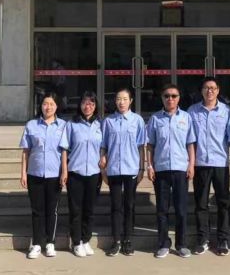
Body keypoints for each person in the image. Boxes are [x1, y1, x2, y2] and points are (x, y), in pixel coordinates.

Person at [146, 83, 196, 259]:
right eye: (166, 96)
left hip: (181, 169)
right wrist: (149, 166)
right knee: (162, 210)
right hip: (161, 169)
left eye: (174, 96)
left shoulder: (186, 118)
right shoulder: (155, 119)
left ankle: (181, 244)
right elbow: (150, 145)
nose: (170, 99)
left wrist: (191, 165)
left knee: (181, 209)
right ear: (162, 98)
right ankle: (163, 244)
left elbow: (190, 143)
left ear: (179, 98)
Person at [187, 77, 230, 256]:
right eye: (206, 88)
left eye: (213, 88)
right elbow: (189, 139)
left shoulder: (226, 111)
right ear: (201, 91)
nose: (210, 91)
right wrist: (190, 163)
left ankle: (223, 239)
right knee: (201, 203)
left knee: (223, 203)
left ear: (218, 91)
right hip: (200, 163)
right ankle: (203, 239)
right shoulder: (192, 111)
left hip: (220, 163)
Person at [99, 87, 146, 257]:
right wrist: (103, 168)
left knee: (129, 205)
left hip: (131, 167)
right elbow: (103, 146)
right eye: (119, 99)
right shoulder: (108, 121)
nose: (121, 102)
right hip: (113, 169)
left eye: (125, 99)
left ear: (131, 101)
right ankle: (116, 241)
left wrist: (142, 168)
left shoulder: (137, 120)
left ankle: (128, 240)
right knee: (116, 206)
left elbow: (141, 146)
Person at [19, 92, 66, 259]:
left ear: (57, 106)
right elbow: (26, 151)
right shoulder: (31, 125)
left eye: (52, 104)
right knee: (37, 210)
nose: (48, 107)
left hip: (54, 174)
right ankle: (37, 244)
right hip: (35, 173)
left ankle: (50, 242)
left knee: (52, 210)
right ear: (41, 106)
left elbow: (64, 151)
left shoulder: (63, 125)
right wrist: (23, 173)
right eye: (45, 104)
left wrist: (64, 171)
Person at [59, 91, 102, 258]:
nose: (88, 106)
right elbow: (64, 149)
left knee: (89, 209)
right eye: (85, 102)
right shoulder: (71, 124)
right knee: (76, 210)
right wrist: (64, 170)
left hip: (94, 173)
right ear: (80, 105)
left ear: (95, 106)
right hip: (75, 172)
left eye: (91, 103)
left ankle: (86, 240)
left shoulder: (100, 124)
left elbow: (104, 148)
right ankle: (76, 242)